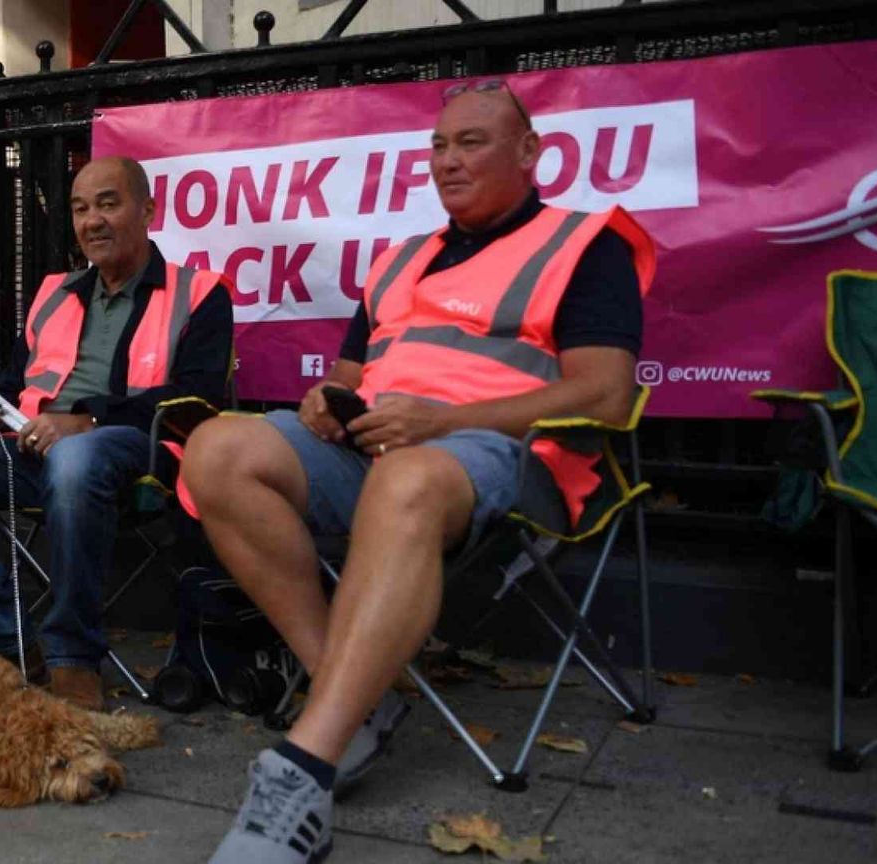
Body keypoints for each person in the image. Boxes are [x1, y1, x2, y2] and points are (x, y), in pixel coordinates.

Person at [185, 80, 655, 863]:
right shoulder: (402, 258)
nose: (448, 160)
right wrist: (323, 405)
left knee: (410, 478)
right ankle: (352, 701)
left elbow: (605, 396)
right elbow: (347, 370)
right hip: (373, 451)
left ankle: (306, 765)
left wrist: (441, 423)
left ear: (530, 152)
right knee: (216, 448)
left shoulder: (583, 242)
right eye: (438, 146)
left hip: (506, 463)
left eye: (471, 142)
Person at [0, 156, 234, 711]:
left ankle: (74, 654)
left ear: (147, 210)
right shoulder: (55, 293)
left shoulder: (199, 292)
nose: (91, 220)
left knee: (78, 458)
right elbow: (13, 382)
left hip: (135, 455)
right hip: (27, 449)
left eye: (107, 203)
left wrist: (89, 420)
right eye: (79, 208)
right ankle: (9, 642)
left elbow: (200, 400)